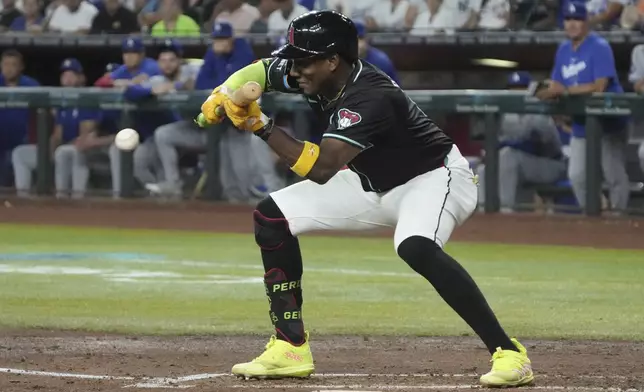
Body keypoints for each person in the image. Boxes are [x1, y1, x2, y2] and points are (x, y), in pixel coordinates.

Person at [197, 10, 533, 388]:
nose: (294, 69)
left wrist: (260, 125)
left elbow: (322, 168)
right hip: (372, 182)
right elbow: (260, 71)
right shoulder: (309, 71)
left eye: (304, 60)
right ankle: (290, 347)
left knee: (416, 247)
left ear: (333, 60)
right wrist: (224, 92)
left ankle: (509, 352)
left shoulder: (369, 95)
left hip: (434, 178)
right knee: (272, 215)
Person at [536, 1, 630, 213]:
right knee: (577, 175)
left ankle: (619, 218)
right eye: (568, 19)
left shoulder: (599, 47)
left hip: (609, 121)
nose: (572, 24)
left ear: (586, 21)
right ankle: (596, 213)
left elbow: (599, 86)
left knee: (613, 174)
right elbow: (556, 83)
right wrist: (544, 90)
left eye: (577, 19)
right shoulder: (563, 50)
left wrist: (565, 91)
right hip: (582, 123)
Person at [476, 71, 567, 212]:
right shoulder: (505, 114)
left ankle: (505, 211)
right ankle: (483, 211)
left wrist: (510, 146)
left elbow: (545, 147)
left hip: (551, 165)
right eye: (513, 88)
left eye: (521, 88)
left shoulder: (539, 109)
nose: (516, 92)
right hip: (518, 165)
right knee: (483, 170)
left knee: (508, 156)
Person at [12, 59, 103, 199]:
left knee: (67, 151)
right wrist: (46, 153)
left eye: (72, 75)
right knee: (20, 153)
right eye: (64, 75)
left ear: (81, 78)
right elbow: (57, 134)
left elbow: (85, 135)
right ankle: (23, 197)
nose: (67, 79)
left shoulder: (88, 99)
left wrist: (59, 147)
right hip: (64, 148)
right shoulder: (62, 102)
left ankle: (76, 197)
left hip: (87, 149)